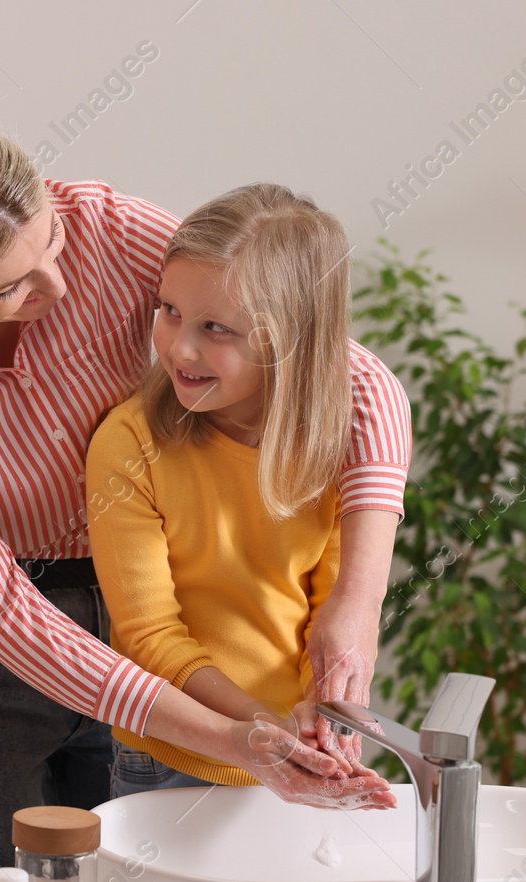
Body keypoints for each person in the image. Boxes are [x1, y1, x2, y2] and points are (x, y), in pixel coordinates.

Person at [0, 110, 407, 882]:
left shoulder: (108, 230)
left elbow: (354, 379)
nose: (56, 284)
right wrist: (239, 739)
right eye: (10, 286)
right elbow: (1, 610)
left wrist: (355, 602)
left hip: (134, 614)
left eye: (49, 241)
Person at [86, 184, 405, 802]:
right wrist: (264, 732)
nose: (180, 347)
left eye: (215, 328)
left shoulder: (338, 447)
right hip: (171, 760)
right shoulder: (129, 444)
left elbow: (334, 610)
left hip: (293, 748)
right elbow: (149, 639)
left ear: (288, 340)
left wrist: (320, 720)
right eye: (168, 310)